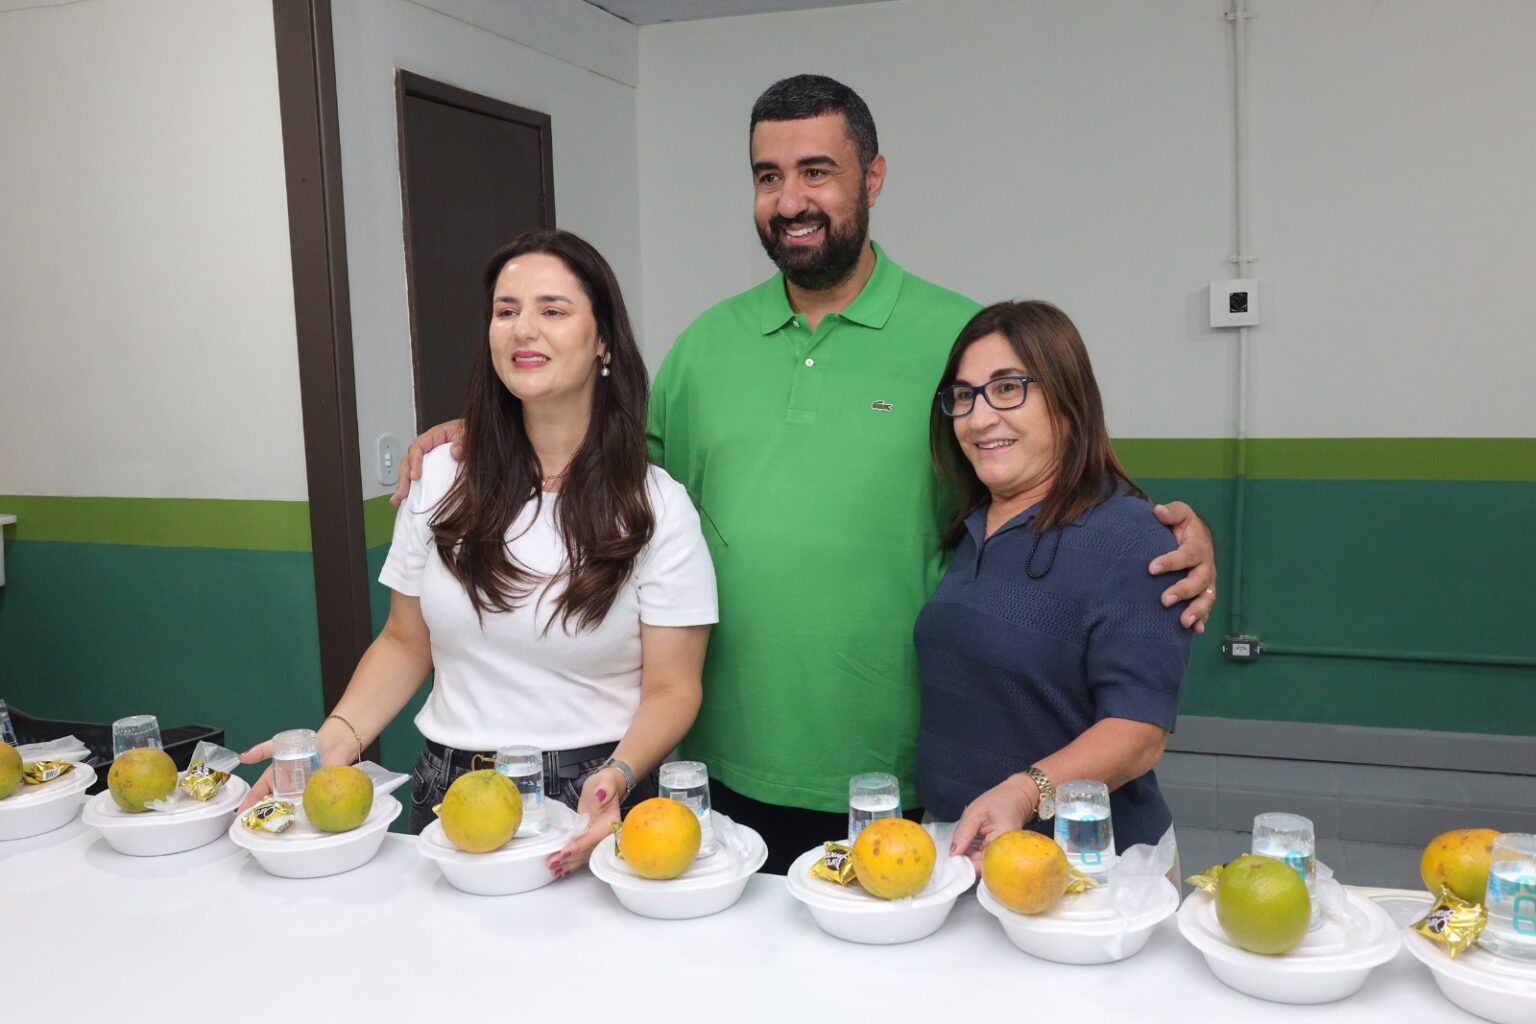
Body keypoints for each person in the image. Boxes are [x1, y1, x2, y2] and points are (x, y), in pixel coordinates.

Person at [396, 75, 1215, 874]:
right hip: (715, 764)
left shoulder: (958, 338)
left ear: (873, 178)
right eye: (768, 177)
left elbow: (1048, 471)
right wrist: (496, 425)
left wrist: (1177, 537)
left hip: (898, 773)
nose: (790, 200)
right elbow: (597, 475)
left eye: (816, 171)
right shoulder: (703, 348)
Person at [243, 230, 717, 877]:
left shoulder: (656, 504)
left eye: (553, 310)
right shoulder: (439, 476)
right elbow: (404, 643)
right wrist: (332, 743)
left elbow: (673, 686)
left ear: (603, 340)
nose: (524, 329)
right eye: (506, 310)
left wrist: (617, 777)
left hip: (592, 789)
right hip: (449, 788)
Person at [919, 301, 1190, 865]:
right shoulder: (970, 526)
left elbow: (1138, 732)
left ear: (1067, 402)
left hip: (1089, 865)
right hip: (963, 849)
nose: (979, 418)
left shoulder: (1133, 537)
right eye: (964, 396)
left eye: (1008, 388)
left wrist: (1025, 793)